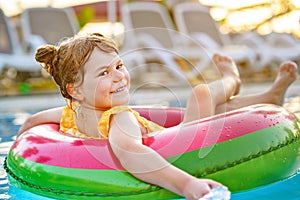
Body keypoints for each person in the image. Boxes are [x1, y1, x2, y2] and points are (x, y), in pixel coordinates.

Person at [18, 33, 298, 199]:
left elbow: (33, 121)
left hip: (185, 134)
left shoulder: (84, 113)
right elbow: (130, 153)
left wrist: (20, 143)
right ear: (74, 90)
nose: (120, 77)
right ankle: (249, 88)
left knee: (204, 99)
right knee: (203, 97)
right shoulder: (115, 117)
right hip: (186, 139)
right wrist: (190, 185)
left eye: (119, 65)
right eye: (104, 73)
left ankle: (238, 82)